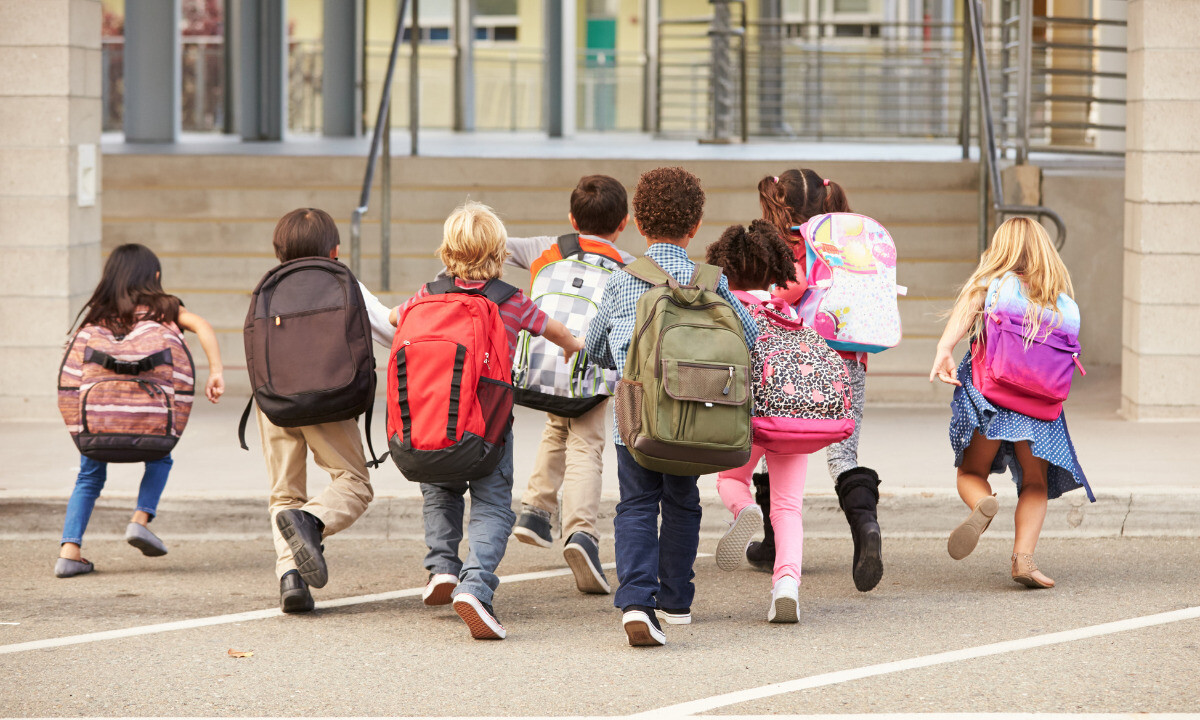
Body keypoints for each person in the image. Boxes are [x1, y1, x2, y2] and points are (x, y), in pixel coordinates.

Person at [392, 201, 584, 639]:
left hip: (432, 426)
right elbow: (553, 330)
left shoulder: (426, 294)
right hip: (487, 431)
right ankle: (475, 586)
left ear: (447, 251)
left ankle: (442, 567)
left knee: (440, 493)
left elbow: (393, 318)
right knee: (493, 505)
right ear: (499, 254)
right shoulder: (510, 301)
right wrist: (573, 344)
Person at [585, 167, 758, 646]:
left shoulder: (624, 281)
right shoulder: (712, 283)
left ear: (639, 223)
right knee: (682, 503)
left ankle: (638, 601)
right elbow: (752, 338)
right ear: (695, 225)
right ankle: (677, 600)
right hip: (695, 417)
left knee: (636, 504)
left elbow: (596, 345)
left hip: (636, 420)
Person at [930, 216, 1091, 588]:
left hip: (992, 396)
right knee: (1035, 482)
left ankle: (981, 503)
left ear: (1000, 249)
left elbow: (969, 304)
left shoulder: (994, 285)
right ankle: (1024, 560)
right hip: (1040, 405)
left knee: (971, 473)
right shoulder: (1060, 301)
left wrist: (944, 349)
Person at [55, 243, 225, 578]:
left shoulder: (97, 314)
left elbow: (72, 373)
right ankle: (140, 519)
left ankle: (69, 551)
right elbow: (203, 326)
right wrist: (216, 370)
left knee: (88, 476)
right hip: (151, 419)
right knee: (160, 457)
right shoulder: (165, 309)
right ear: (155, 276)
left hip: (100, 419)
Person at [256, 208, 395, 613]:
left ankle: (291, 578)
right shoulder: (342, 281)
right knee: (353, 482)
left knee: (284, 494)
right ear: (335, 249)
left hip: (274, 401)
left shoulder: (270, 286)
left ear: (279, 250)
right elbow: (390, 331)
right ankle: (312, 522)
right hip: (329, 400)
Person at [755, 168, 884, 594]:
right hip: (847, 359)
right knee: (843, 455)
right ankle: (866, 526)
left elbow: (788, 290)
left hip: (797, 361)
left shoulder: (786, 246)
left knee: (774, 443)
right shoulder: (846, 242)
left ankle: (776, 543)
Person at [507, 174, 635, 595]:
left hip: (542, 365)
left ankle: (535, 510)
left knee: (556, 424)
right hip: (590, 367)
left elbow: (495, 244)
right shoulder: (628, 266)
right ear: (623, 223)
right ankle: (581, 534)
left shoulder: (546, 248)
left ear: (570, 218)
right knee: (586, 445)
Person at [707, 221, 818, 622]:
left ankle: (742, 511)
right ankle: (786, 585)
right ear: (774, 270)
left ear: (726, 268)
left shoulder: (725, 307)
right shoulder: (786, 310)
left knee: (732, 480)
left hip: (743, 416)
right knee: (788, 506)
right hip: (790, 419)